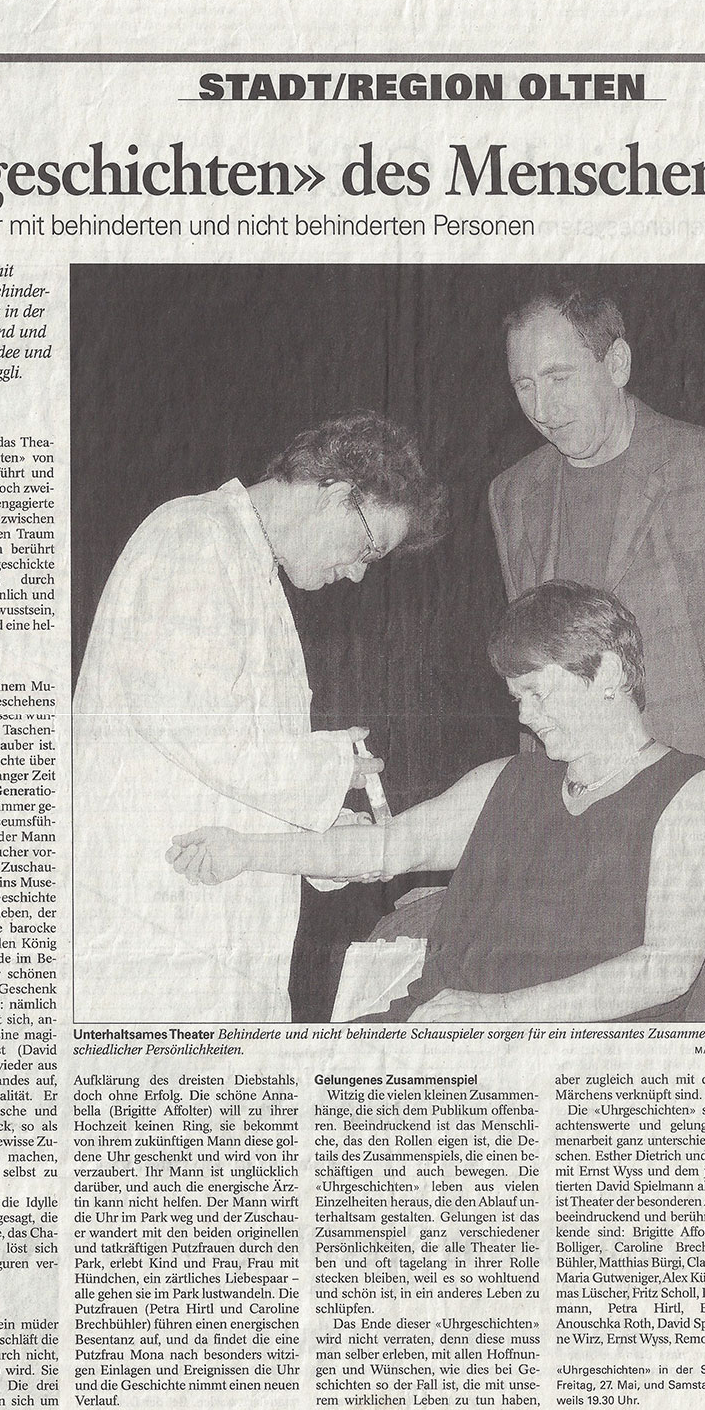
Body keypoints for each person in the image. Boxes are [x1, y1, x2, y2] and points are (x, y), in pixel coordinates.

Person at [168, 583, 705, 1024]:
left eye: (536, 692)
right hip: (438, 1033)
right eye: (516, 697)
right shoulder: (508, 780)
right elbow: (384, 848)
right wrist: (244, 850)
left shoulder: (691, 797)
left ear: (609, 673)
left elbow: (666, 967)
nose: (522, 715)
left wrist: (502, 1016)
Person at [74, 412, 443, 1023]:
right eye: (368, 549)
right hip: (154, 936)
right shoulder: (193, 539)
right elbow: (198, 727)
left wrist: (319, 837)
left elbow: (232, 776)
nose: (357, 573)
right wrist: (332, 767)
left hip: (206, 939)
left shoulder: (251, 572)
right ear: (336, 495)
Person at [488, 286, 705, 872]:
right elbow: (529, 667)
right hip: (577, 806)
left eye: (559, 377)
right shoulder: (512, 495)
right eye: (525, 386)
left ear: (616, 363)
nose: (541, 408)